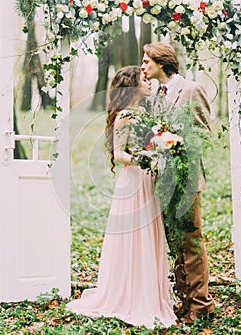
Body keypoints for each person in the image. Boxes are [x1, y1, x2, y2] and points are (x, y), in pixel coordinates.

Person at [66, 66, 177, 329]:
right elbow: (119, 154)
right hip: (134, 180)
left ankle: (148, 290)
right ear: (130, 84)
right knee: (134, 238)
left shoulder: (145, 113)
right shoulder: (124, 116)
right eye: (142, 78)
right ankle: (130, 295)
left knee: (149, 236)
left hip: (148, 180)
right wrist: (145, 159)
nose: (147, 81)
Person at [141, 42, 214, 324]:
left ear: (162, 63)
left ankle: (201, 304)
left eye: (148, 61)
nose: (144, 65)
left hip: (187, 179)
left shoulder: (192, 90)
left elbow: (203, 134)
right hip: (162, 180)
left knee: (191, 241)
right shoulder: (153, 96)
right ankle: (183, 300)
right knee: (173, 243)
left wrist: (171, 141)